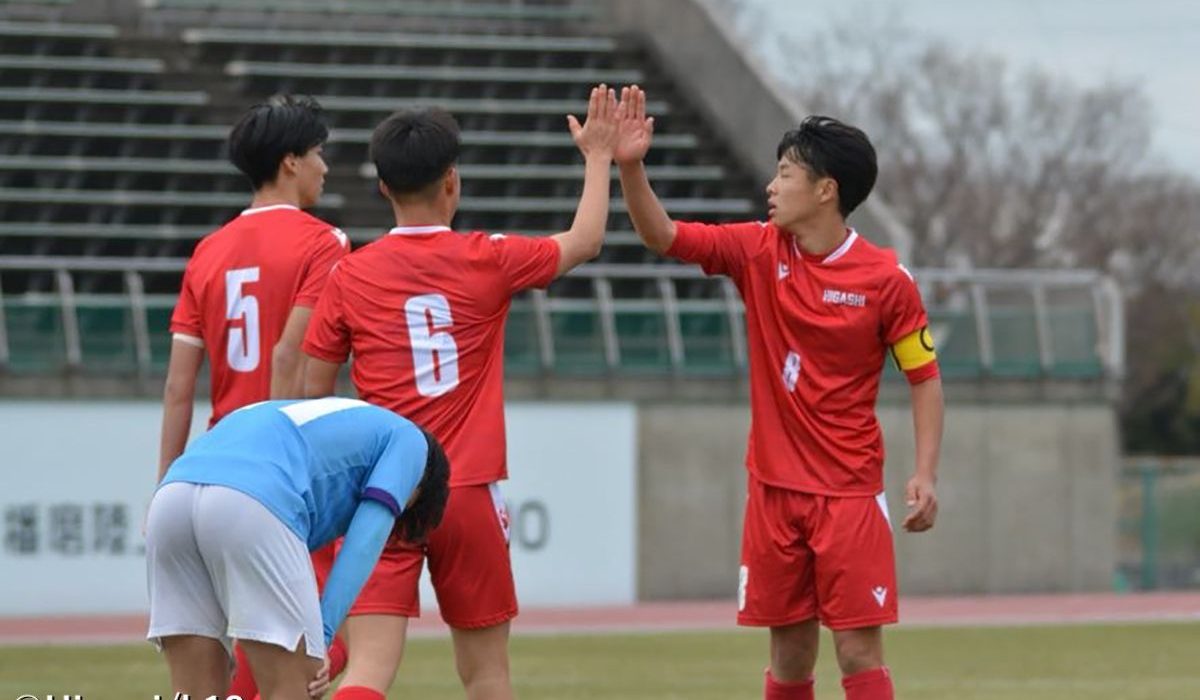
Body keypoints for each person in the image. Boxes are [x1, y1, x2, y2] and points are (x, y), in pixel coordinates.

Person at [614, 86, 944, 700]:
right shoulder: (757, 251)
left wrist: (925, 473)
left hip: (848, 493)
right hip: (773, 492)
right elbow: (662, 235)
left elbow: (924, 379)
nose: (772, 185)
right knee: (790, 653)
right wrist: (631, 166)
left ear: (826, 190)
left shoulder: (886, 280)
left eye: (786, 173)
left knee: (857, 650)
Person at [300, 85, 621, 700]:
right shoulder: (488, 258)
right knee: (486, 675)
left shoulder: (349, 275)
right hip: (468, 491)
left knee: (367, 671)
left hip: (385, 491)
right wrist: (599, 157)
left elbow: (317, 401)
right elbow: (585, 241)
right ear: (453, 181)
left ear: (384, 188)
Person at [157, 94, 351, 697]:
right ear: (291, 162)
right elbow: (290, 360)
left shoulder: (208, 252)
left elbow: (177, 386)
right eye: (319, 154)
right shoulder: (324, 243)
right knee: (323, 648)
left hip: (206, 469)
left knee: (223, 658)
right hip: (279, 469)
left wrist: (166, 479)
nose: (325, 167)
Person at [145, 397, 450, 700]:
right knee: (294, 687)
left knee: (195, 694)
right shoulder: (412, 444)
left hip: (170, 501)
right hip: (254, 500)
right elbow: (363, 544)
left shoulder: (322, 423)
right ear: (422, 489)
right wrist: (322, 639)